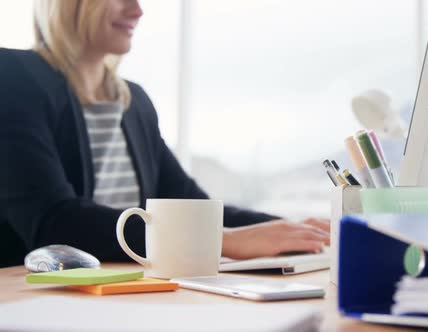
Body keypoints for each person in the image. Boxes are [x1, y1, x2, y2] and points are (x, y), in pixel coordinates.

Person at [0, 0, 329, 268]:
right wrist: (219, 240)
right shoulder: (13, 77)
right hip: (35, 300)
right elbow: (55, 222)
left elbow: (189, 203)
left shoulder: (133, 101)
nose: (138, 10)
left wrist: (293, 230)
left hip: (125, 295)